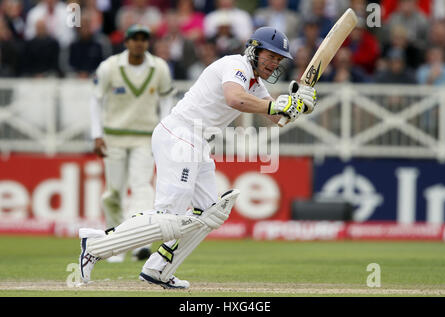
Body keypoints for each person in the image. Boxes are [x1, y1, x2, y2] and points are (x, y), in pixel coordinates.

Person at [79, 26, 317, 288]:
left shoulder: (255, 83)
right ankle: (97, 245)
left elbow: (275, 118)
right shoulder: (235, 65)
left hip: (198, 142)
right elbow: (234, 99)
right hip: (179, 134)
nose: (275, 63)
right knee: (170, 216)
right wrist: (277, 105)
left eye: (279, 59)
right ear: (254, 50)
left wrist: (297, 105)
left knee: (210, 213)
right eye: (270, 56)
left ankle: (158, 270)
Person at [89, 24, 175, 262]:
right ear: (126, 42)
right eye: (134, 39)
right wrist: (96, 134)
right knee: (113, 192)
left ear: (148, 43)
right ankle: (114, 243)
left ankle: (140, 243)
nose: (139, 43)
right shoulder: (109, 67)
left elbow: (166, 98)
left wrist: (164, 129)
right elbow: (95, 100)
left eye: (143, 39)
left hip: (145, 137)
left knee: (142, 188)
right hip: (113, 136)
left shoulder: (159, 67)